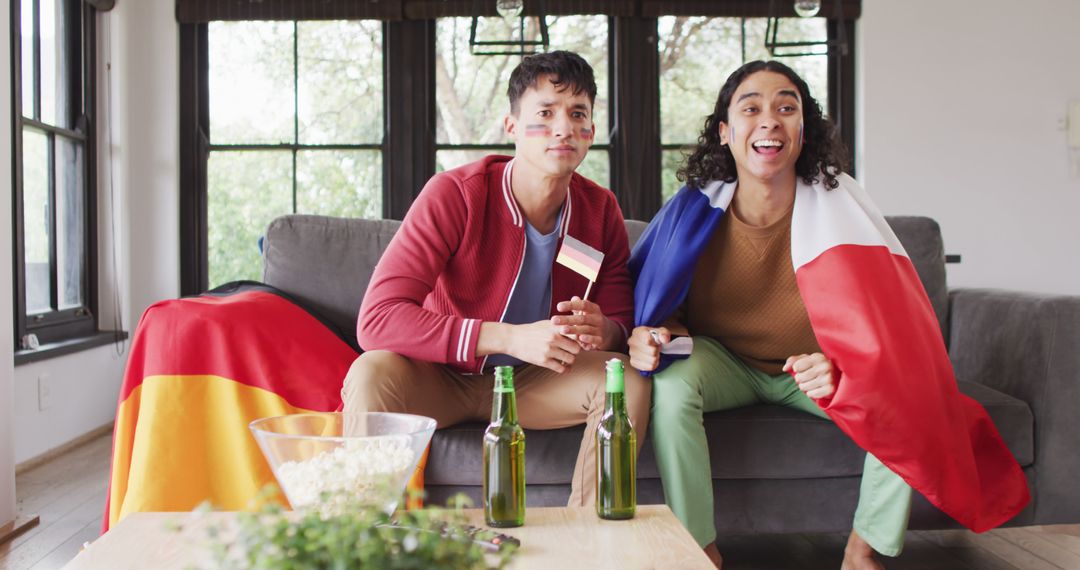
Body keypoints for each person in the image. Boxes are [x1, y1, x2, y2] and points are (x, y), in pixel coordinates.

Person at [627, 60, 1028, 569]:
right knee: (673, 382)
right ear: (726, 132)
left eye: (786, 108)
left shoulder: (844, 210)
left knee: (906, 392)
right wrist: (655, 335)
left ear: (803, 130)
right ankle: (700, 549)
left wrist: (840, 361)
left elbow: (888, 332)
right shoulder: (693, 210)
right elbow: (665, 310)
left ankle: (864, 551)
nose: (770, 119)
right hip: (724, 362)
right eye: (751, 108)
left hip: (814, 370)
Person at [342, 50, 650, 508]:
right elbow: (378, 321)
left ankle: (590, 535)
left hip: (534, 383)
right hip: (438, 377)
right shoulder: (455, 194)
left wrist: (602, 328)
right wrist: (509, 337)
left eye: (578, 114)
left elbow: (620, 319)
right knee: (370, 371)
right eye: (544, 113)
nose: (563, 127)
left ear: (590, 132)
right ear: (511, 127)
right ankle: (362, 534)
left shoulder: (600, 208)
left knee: (625, 382)